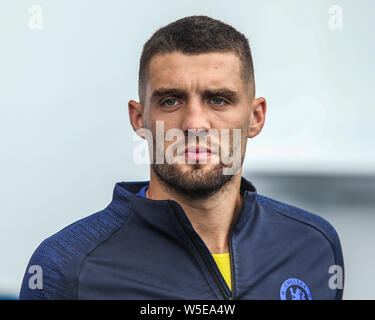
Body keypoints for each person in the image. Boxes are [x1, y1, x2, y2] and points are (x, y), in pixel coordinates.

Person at [20, 15, 344, 300]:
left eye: (218, 100)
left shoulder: (313, 245)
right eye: (171, 101)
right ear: (139, 119)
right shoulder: (66, 267)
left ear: (256, 117)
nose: (194, 124)